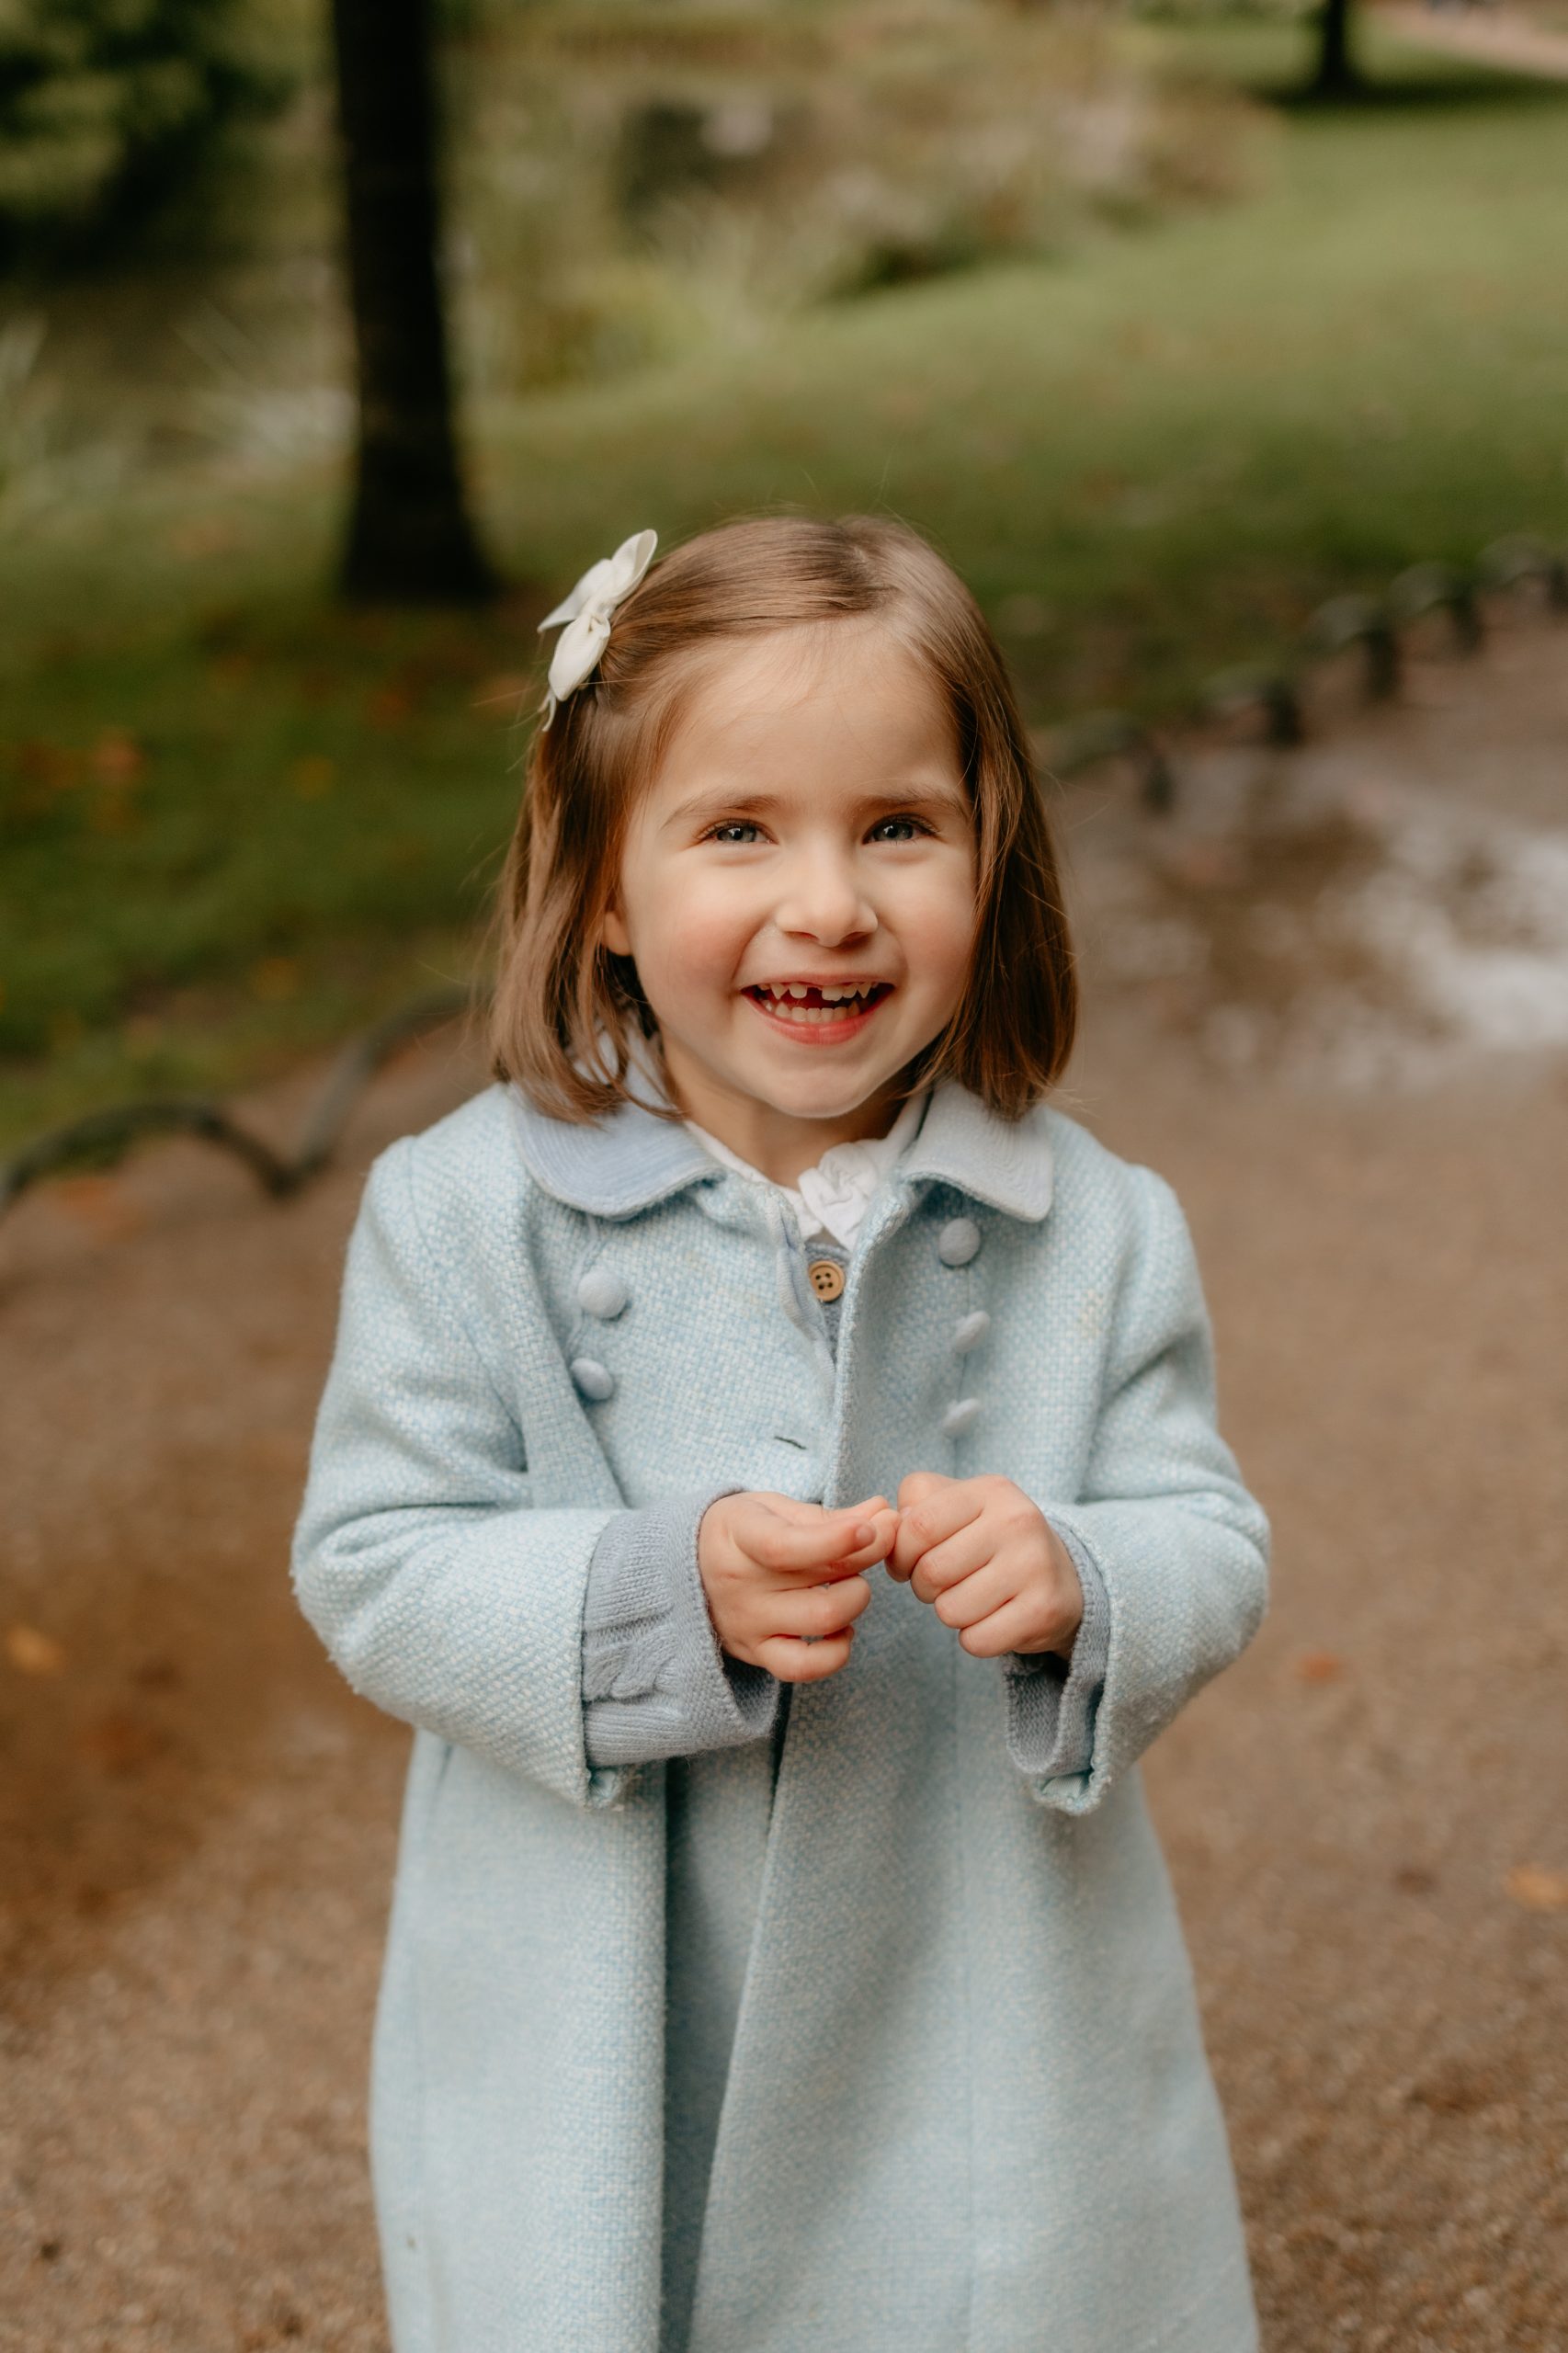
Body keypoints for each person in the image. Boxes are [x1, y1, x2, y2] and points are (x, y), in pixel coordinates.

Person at [291, 514, 1270, 2353]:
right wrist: (646, 1587)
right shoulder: (464, 1214)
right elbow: (369, 1556)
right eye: (738, 827)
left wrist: (1081, 1573)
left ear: (993, 858)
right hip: (609, 1992)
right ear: (596, 880)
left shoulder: (1094, 1223)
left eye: (896, 824)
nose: (827, 901)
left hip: (972, 1973)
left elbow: (1203, 1527)